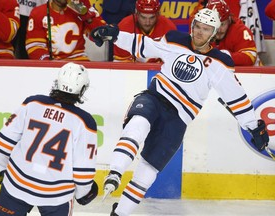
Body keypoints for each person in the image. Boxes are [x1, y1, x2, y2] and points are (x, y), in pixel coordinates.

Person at [91, 8, 269, 216]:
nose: (200, 33)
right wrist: (115, 35)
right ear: (192, 26)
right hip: (155, 98)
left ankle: (119, 213)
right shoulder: (174, 39)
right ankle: (115, 172)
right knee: (138, 123)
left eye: (206, 29)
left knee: (148, 173)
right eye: (197, 27)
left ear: (213, 33)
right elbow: (144, 45)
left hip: (179, 118)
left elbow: (237, 99)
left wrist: (253, 126)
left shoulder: (221, 63)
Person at [0, 62, 98, 216]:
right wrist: (83, 193)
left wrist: (1, 168)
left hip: (16, 185)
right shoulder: (85, 122)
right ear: (82, 90)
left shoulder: (32, 103)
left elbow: (2, 144)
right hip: (56, 197)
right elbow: (83, 171)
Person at [26, 0, 106, 60]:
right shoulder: (38, 12)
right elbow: (34, 46)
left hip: (78, 61)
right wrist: (47, 62)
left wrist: (87, 16)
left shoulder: (80, 9)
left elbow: (103, 35)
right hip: (51, 64)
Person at [113, 0, 177, 63]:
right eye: (143, 17)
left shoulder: (169, 28)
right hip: (133, 71)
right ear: (136, 14)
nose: (147, 22)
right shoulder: (124, 26)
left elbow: (172, 61)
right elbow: (120, 61)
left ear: (158, 14)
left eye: (152, 18)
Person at [206, 0, 260, 66]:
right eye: (215, 25)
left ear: (229, 20)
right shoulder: (200, 29)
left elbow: (250, 58)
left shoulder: (240, 30)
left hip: (251, 75)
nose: (219, 30)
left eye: (222, 24)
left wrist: (223, 55)